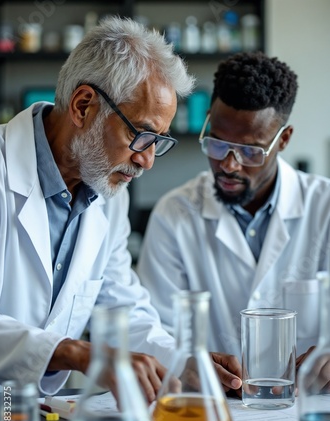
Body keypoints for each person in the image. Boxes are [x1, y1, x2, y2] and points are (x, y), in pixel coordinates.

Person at [0, 16, 198, 401]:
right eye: (140, 135)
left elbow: (123, 305)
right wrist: (76, 353)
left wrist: (187, 365)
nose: (147, 161)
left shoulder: (106, 194)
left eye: (159, 141)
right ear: (83, 105)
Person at [138, 51, 330, 386]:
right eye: (216, 144)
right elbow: (152, 328)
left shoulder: (324, 208)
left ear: (282, 140)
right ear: (208, 120)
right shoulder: (175, 214)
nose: (229, 164)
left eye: (250, 151)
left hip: (308, 408)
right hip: (213, 408)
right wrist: (184, 362)